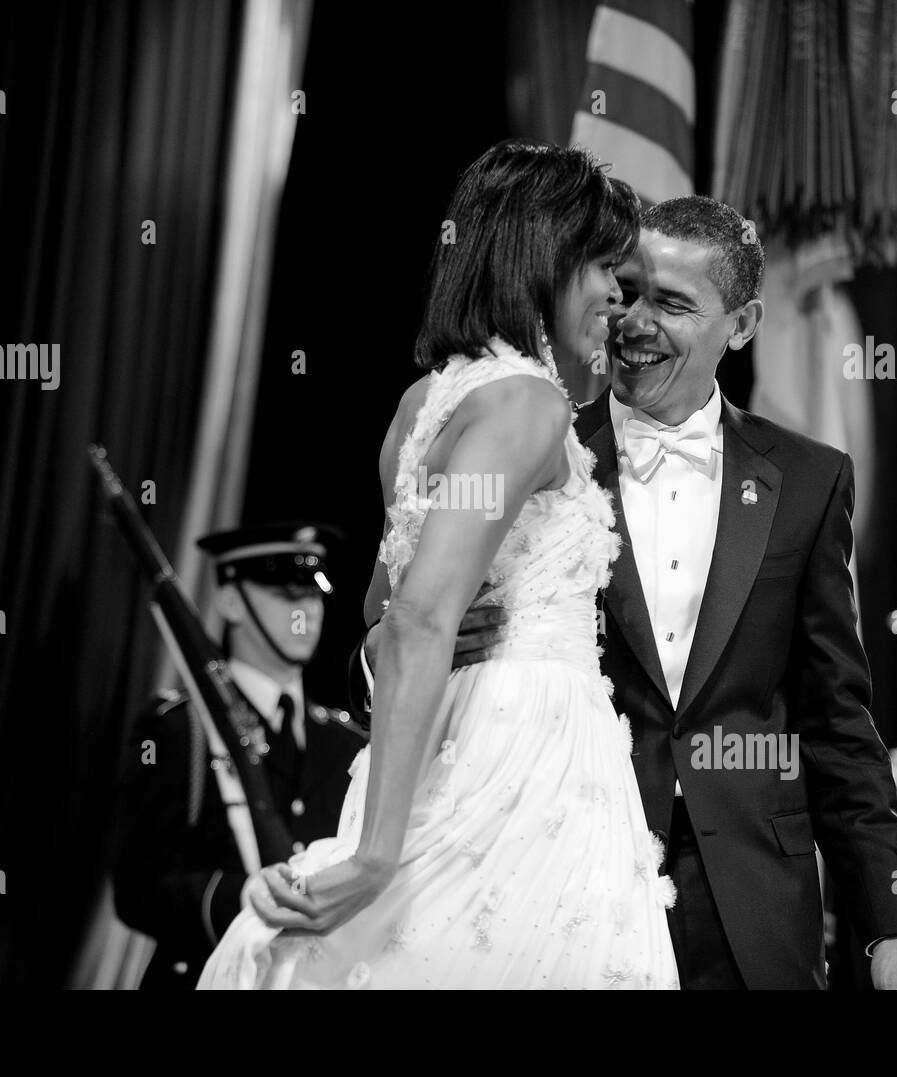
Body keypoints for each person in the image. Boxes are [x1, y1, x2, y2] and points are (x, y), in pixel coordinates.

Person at [417, 196, 897, 988]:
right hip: (570, 875)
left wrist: (891, 926)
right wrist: (428, 648)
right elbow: (408, 625)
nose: (635, 321)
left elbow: (837, 722)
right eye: (628, 290)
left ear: (744, 322)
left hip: (756, 907)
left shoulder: (809, 479)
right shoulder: (537, 445)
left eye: (674, 303)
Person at [198, 142, 679, 990]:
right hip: (524, 766)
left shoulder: (421, 405)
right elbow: (416, 619)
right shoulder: (528, 402)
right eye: (603, 265)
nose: (616, 294)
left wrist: (423, 630)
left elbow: (380, 625)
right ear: (540, 254)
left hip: (446, 741)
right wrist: (378, 853)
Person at [112, 521, 365, 990]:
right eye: (286, 595)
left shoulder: (345, 741)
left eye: (314, 594)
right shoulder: (180, 729)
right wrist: (241, 897)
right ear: (231, 602)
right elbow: (137, 889)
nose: (306, 611)